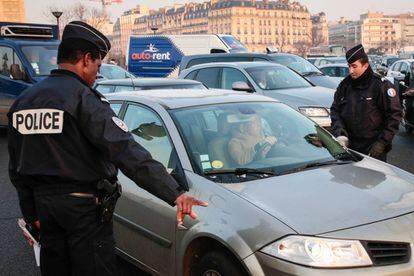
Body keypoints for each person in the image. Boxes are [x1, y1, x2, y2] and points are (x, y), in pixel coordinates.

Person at [8, 21, 207, 276]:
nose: (97, 74)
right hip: (84, 214)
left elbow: (16, 169)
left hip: (46, 211)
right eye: (98, 65)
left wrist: (31, 211)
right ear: (86, 59)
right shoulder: (83, 100)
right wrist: (174, 192)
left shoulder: (23, 103)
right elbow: (126, 151)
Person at [330, 44, 402, 162]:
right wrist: (340, 134)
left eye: (354, 66)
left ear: (365, 65)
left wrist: (382, 142)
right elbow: (335, 110)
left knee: (372, 180)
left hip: (373, 148)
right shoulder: (345, 86)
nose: (351, 71)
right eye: (349, 66)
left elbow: (394, 115)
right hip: (349, 147)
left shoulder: (380, 86)